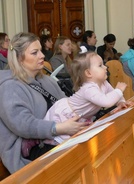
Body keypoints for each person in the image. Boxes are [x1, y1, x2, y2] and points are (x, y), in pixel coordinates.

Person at [0, 32, 90, 174]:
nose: (42, 55)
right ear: (19, 58)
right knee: (81, 159)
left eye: (41, 50)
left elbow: (66, 103)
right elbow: (24, 125)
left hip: (56, 139)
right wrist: (59, 128)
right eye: (35, 53)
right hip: (29, 151)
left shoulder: (45, 80)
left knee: (93, 146)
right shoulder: (10, 87)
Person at [44, 52, 130, 144]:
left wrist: (121, 102)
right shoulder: (88, 88)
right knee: (64, 143)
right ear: (88, 73)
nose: (105, 67)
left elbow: (114, 96)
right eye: (100, 65)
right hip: (67, 114)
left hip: (81, 116)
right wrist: (118, 90)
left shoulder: (104, 83)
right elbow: (107, 101)